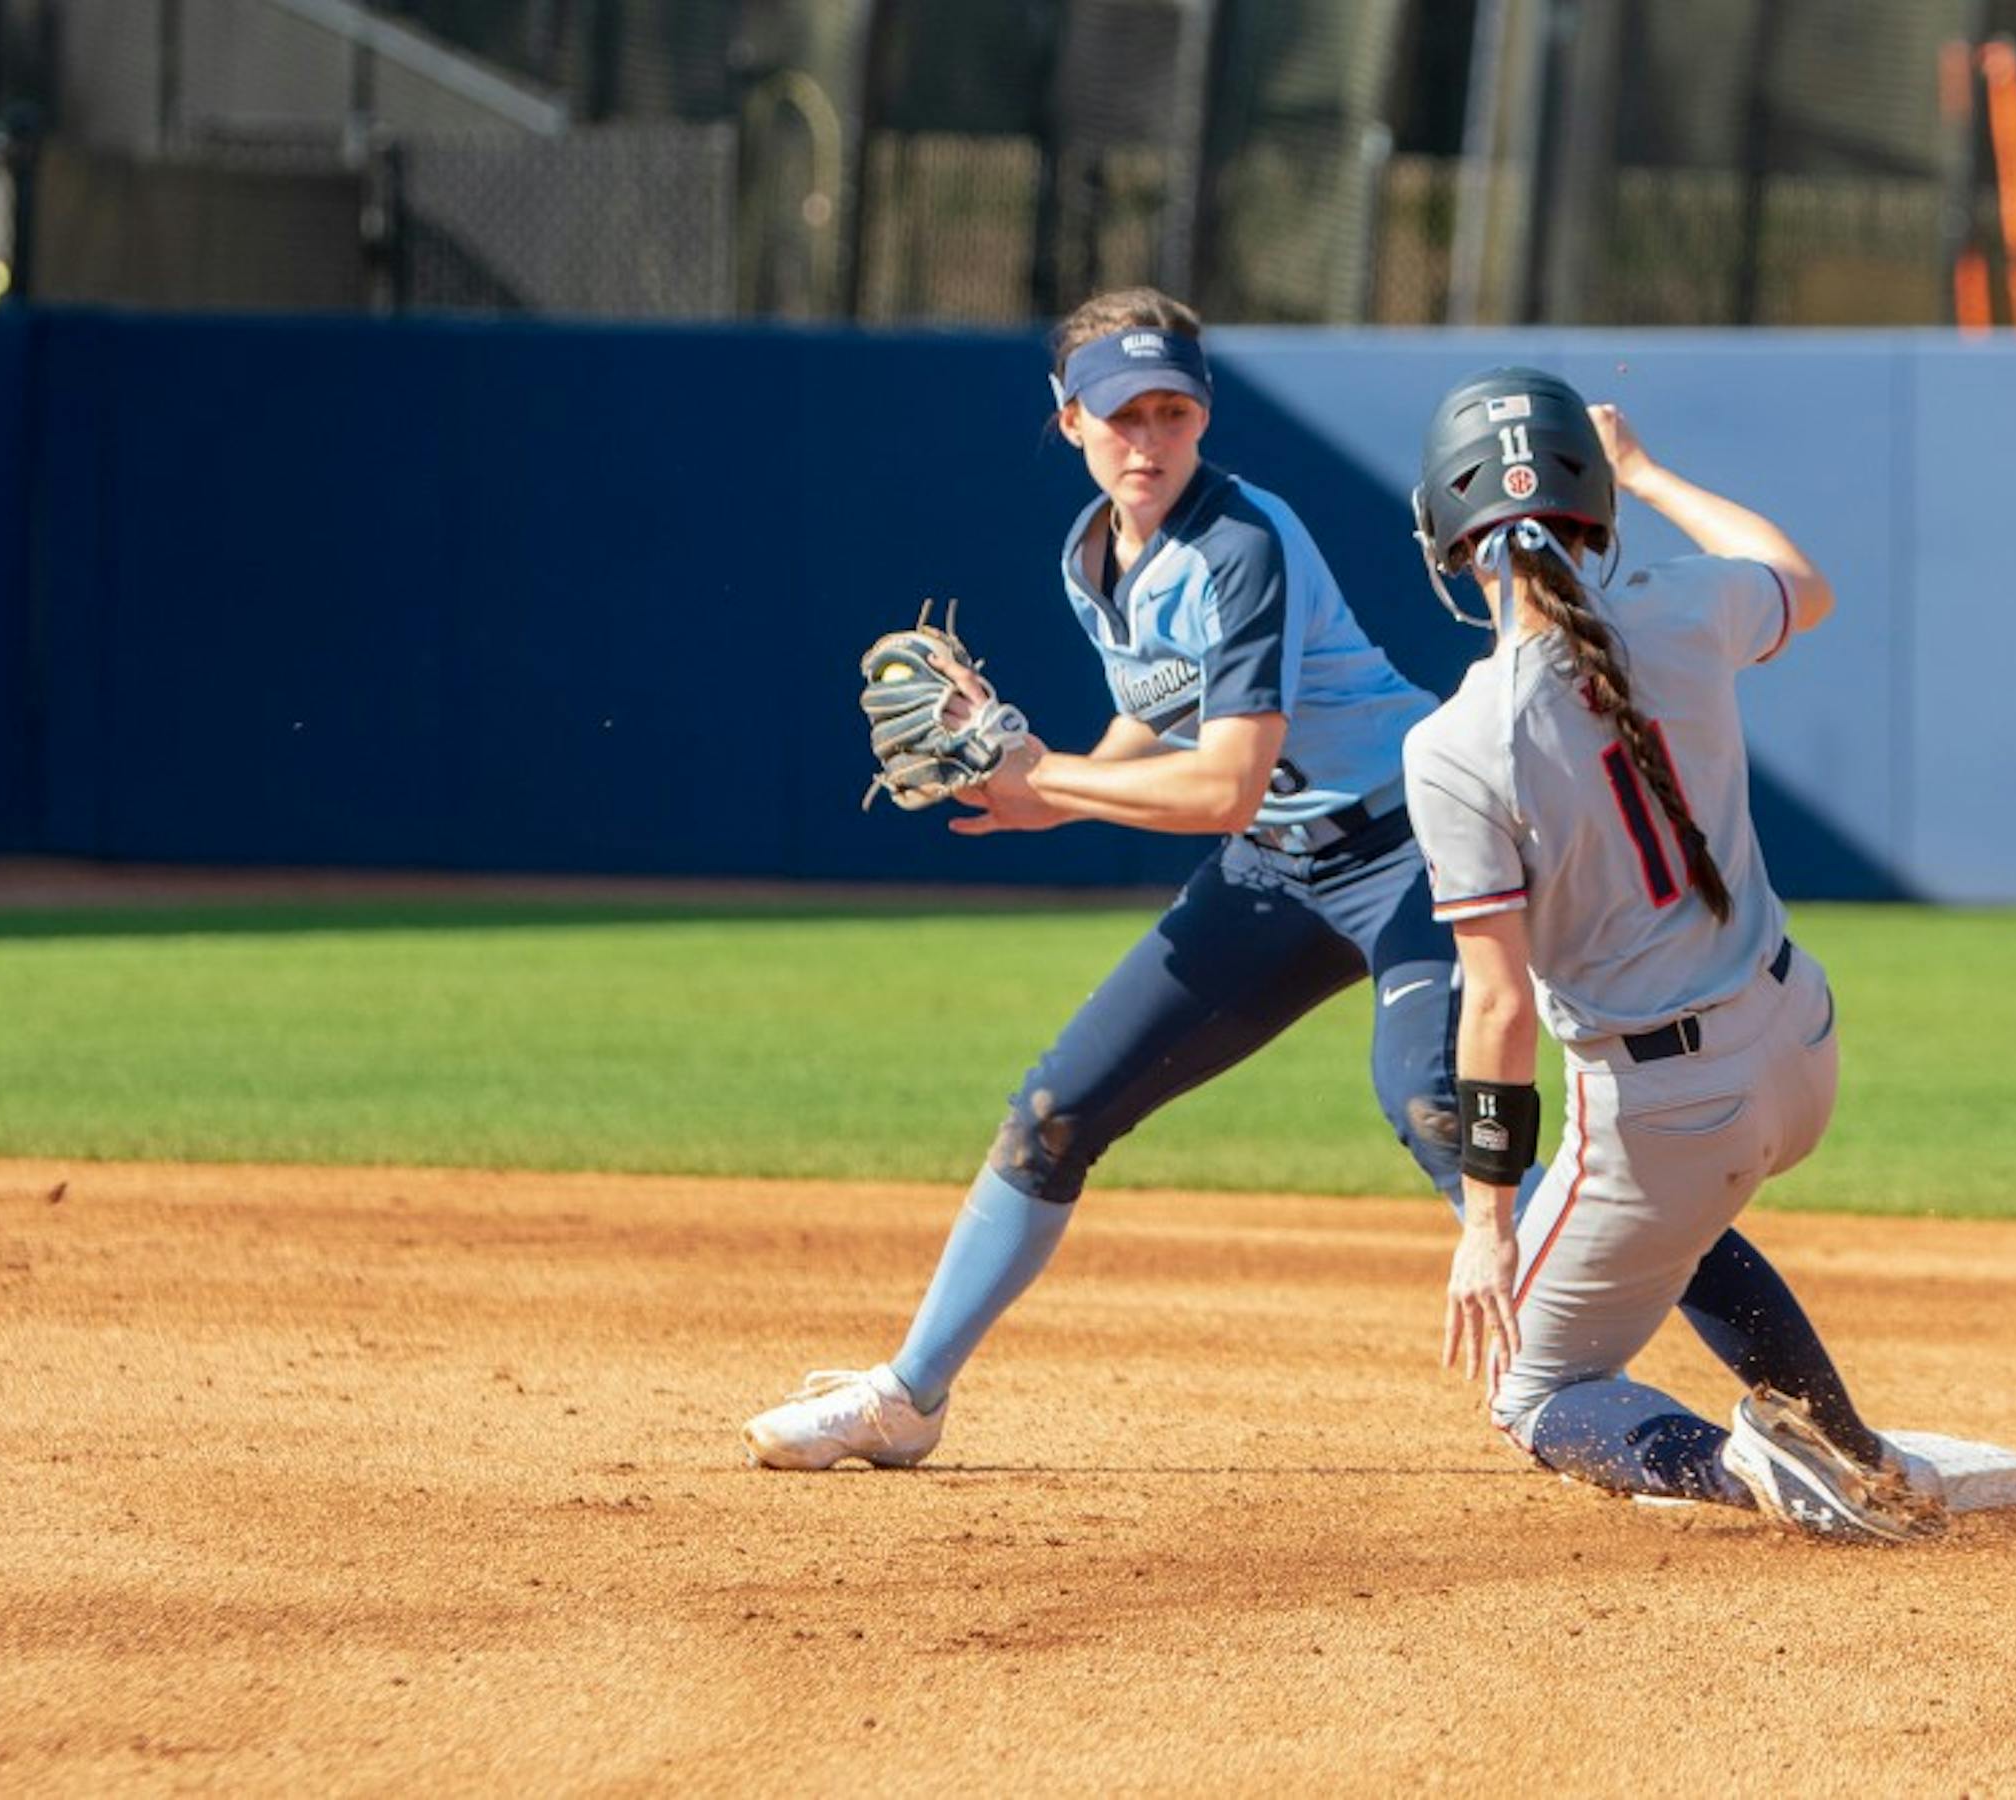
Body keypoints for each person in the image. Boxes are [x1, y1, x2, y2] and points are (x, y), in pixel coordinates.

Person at [744, 290, 1892, 1478]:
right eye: (1121, 415)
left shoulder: (1239, 544)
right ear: (1067, 417)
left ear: (1203, 414)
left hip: (1410, 850)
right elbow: (1163, 720)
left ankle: (1822, 1426)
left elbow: (1224, 783)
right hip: (1275, 871)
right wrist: (1054, 779)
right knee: (1056, 1109)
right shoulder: (1094, 557)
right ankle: (907, 1396)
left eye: (1171, 412)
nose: (1147, 440)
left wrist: (1053, 782)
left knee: (1438, 1112)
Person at [1405, 367, 1938, 1541]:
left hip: (1667, 1106)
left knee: (1535, 1392)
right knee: (1675, 1231)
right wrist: (1648, 472)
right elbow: (1802, 582)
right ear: (1593, 510)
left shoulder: (1453, 742)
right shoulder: (1684, 606)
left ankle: (1753, 1469)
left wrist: (1486, 1223)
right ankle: (1853, 1451)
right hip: (1801, 1043)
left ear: (1445, 536)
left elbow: (1494, 1009)